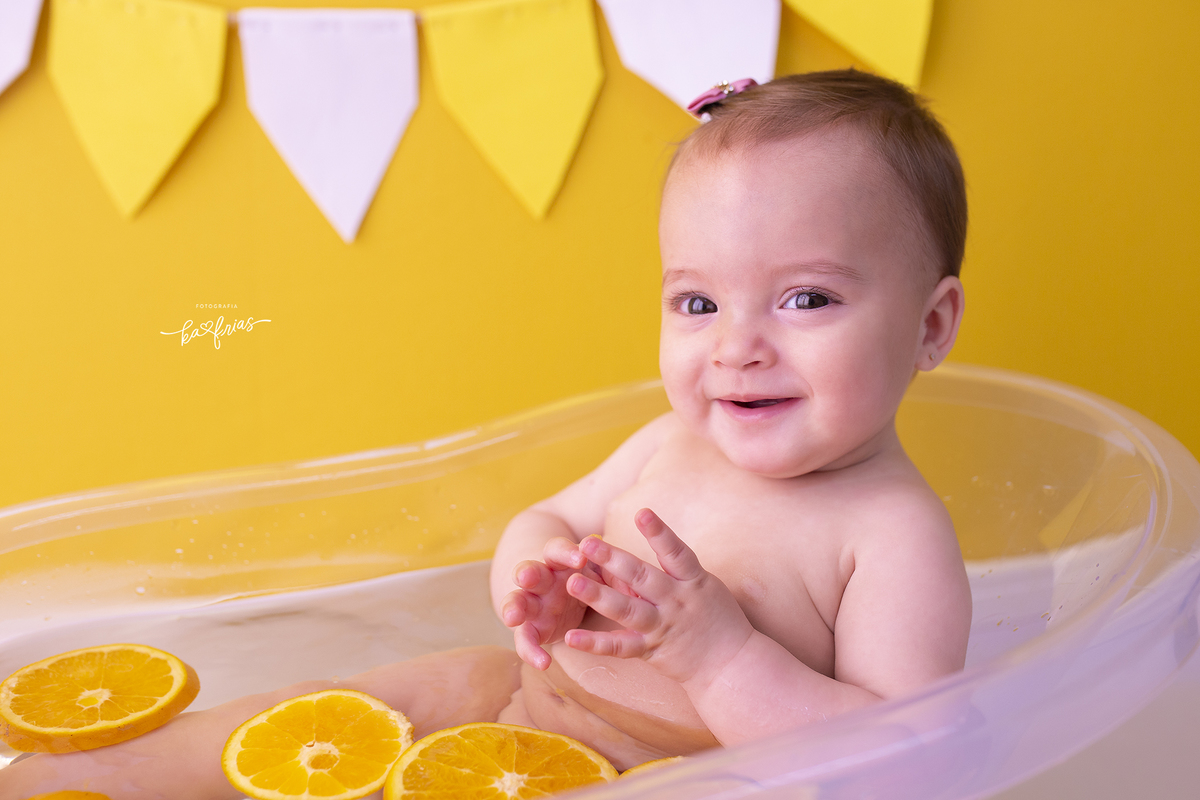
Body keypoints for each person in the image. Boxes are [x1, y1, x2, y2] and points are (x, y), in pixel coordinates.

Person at [0, 69, 971, 798]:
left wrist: (720, 659)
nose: (735, 347)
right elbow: (547, 516)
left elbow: (900, 761)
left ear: (931, 326)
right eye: (697, 301)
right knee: (348, 707)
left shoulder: (892, 535)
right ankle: (97, 778)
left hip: (691, 771)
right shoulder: (668, 443)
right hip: (525, 697)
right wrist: (535, 574)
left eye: (806, 298)